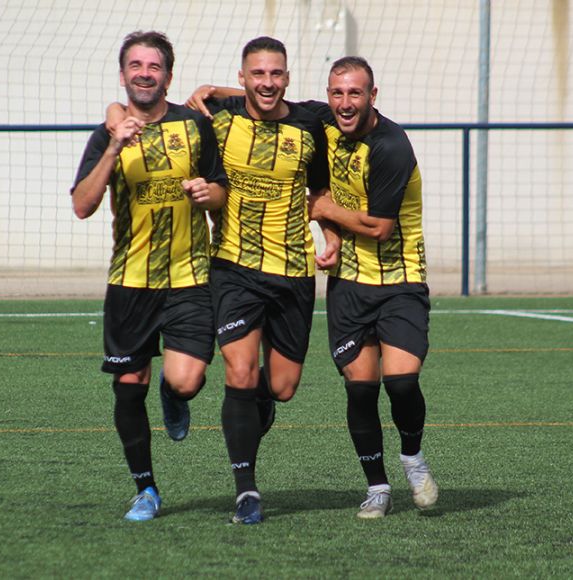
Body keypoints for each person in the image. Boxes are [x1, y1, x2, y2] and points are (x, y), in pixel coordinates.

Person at [188, 55, 437, 519]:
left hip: (400, 279)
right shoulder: (323, 119)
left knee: (401, 381)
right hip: (346, 283)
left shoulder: (392, 147)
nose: (345, 103)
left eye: (355, 94)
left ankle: (413, 459)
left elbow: (380, 228)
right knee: (360, 389)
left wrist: (322, 213)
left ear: (372, 96)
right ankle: (377, 487)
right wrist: (215, 91)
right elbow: (270, 99)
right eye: (337, 93)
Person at [170, 36, 336, 525]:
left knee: (281, 388)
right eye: (257, 74)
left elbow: (320, 186)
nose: (267, 82)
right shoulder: (216, 117)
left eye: (276, 74)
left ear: (287, 77)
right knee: (239, 373)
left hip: (293, 272)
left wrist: (330, 233)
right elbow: (162, 116)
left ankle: (257, 403)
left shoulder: (312, 122)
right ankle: (246, 491)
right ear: (242, 77)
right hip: (234, 266)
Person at [70, 31, 227, 523]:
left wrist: (208, 194)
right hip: (130, 280)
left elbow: (221, 189)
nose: (144, 73)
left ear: (168, 76)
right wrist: (115, 148)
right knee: (128, 382)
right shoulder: (107, 133)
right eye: (135, 65)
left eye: (153, 66)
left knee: (186, 380)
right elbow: (81, 205)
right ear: (123, 75)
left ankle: (173, 394)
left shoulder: (195, 126)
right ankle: (146, 490)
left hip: (189, 277)